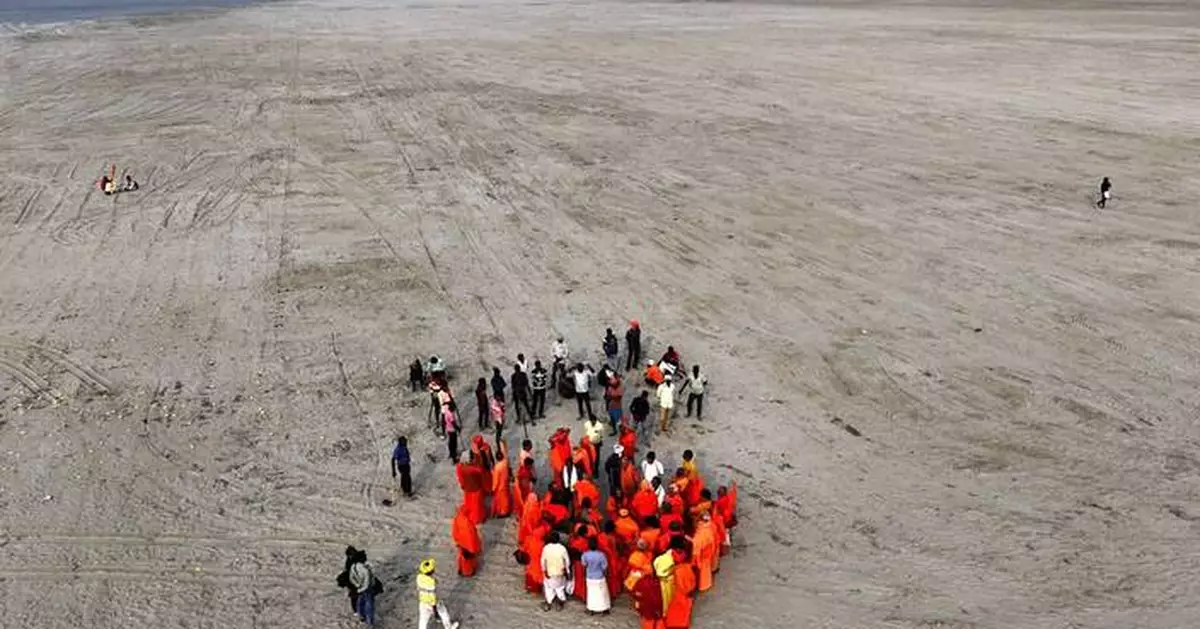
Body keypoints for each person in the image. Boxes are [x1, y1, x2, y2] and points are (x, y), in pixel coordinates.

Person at [417, 558, 460, 629]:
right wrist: (436, 613)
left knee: (423, 621)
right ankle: (449, 627)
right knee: (444, 614)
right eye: (433, 568)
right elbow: (433, 598)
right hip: (434, 603)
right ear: (431, 571)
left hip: (422, 602)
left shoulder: (419, 577)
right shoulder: (432, 583)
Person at [630, 554, 665, 629]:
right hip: (658, 610)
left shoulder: (641, 581)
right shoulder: (660, 583)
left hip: (645, 610)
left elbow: (634, 593)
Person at [540, 532, 571, 611]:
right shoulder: (562, 548)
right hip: (559, 572)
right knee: (560, 588)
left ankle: (549, 602)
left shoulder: (546, 548)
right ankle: (561, 601)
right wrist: (567, 571)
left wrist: (544, 570)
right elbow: (567, 561)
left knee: (548, 588)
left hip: (549, 572)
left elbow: (543, 561)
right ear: (558, 539)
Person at [581, 537, 611, 615]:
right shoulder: (601, 555)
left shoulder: (585, 554)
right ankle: (604, 609)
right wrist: (606, 576)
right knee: (602, 593)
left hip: (590, 576)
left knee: (591, 594)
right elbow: (605, 567)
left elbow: (584, 565)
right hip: (600, 576)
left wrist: (584, 574)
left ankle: (591, 609)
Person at [348, 549, 377, 626]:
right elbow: (367, 583)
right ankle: (370, 622)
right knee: (369, 605)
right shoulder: (366, 570)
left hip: (359, 588)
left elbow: (351, 577)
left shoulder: (353, 567)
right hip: (367, 589)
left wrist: (357, 585)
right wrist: (361, 589)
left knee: (360, 603)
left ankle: (362, 617)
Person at [456, 452, 487, 525]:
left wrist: (463, 485)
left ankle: (470, 514)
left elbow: (460, 479)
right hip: (476, 489)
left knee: (469, 503)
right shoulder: (473, 469)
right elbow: (481, 471)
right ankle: (477, 518)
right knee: (477, 505)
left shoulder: (460, 467)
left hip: (467, 489)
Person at [452, 505, 482, 576]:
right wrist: (477, 547)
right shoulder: (468, 522)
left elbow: (455, 530)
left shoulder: (457, 518)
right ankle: (468, 572)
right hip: (470, 545)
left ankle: (461, 569)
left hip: (461, 542)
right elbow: (473, 536)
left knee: (462, 557)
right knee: (469, 560)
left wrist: (457, 540)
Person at [337, 545, 362, 615]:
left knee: (355, 596)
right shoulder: (351, 560)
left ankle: (357, 610)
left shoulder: (353, 560)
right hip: (353, 580)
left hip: (355, 580)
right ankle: (357, 610)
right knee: (355, 596)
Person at [492, 448, 513, 518]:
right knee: (506, 497)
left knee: (502, 500)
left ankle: (504, 512)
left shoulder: (497, 467)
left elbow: (496, 480)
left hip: (500, 486)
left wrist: (493, 488)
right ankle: (507, 510)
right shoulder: (505, 462)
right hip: (505, 483)